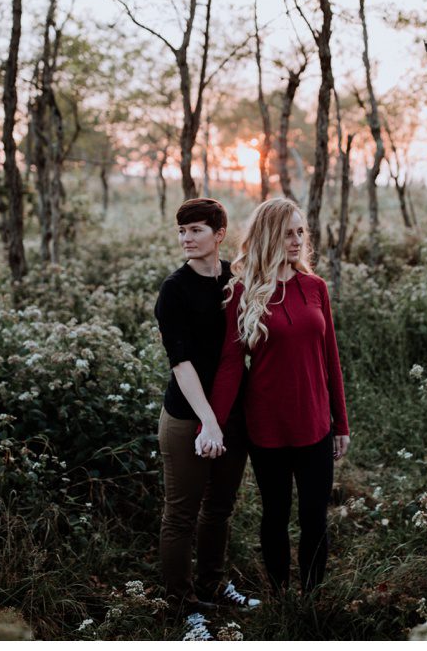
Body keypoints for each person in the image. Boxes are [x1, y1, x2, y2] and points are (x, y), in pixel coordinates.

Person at [207, 198, 351, 596]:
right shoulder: (242, 292)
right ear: (269, 235)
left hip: (316, 422)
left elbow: (331, 360)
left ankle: (311, 597)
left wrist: (341, 423)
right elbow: (231, 364)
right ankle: (280, 595)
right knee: (275, 514)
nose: (297, 240)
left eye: (301, 232)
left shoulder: (315, 287)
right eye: (288, 232)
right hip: (267, 426)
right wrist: (214, 424)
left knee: (314, 518)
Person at [153, 198, 260, 641]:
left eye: (195, 230)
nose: (185, 239)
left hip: (232, 413)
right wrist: (208, 422)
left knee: (219, 508)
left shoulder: (236, 280)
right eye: (181, 231)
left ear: (219, 234)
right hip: (186, 416)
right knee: (181, 514)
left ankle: (212, 584)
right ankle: (183, 607)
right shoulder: (173, 290)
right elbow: (182, 363)